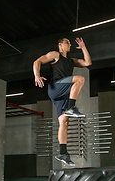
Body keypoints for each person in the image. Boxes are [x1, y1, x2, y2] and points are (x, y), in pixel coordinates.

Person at [33, 37, 92, 166]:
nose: (70, 45)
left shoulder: (71, 61)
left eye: (70, 43)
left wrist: (83, 47)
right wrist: (37, 75)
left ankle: (63, 153)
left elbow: (87, 62)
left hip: (62, 94)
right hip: (55, 87)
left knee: (64, 122)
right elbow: (37, 62)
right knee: (80, 79)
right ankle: (72, 108)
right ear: (60, 45)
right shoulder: (55, 55)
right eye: (67, 43)